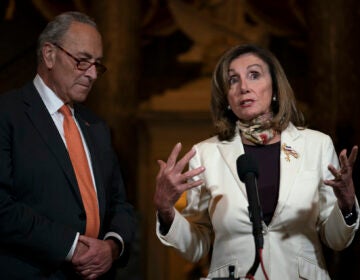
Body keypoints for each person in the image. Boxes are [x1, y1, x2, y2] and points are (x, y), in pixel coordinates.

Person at [154, 44, 359, 279]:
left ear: (274, 89)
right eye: (233, 80)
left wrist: (346, 205)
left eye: (254, 75)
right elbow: (196, 246)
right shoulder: (206, 154)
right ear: (227, 98)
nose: (244, 87)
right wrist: (165, 210)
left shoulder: (317, 146)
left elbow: (336, 239)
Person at [0, 11, 136, 279]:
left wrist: (112, 246)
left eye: (97, 64)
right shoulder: (7, 114)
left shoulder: (97, 127)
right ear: (49, 55)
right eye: (83, 61)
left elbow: (121, 205)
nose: (93, 74)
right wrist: (72, 247)